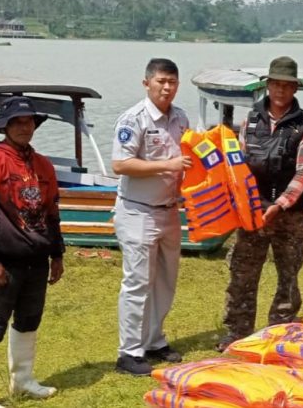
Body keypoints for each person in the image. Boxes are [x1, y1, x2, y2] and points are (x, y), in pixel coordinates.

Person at [0, 96, 65, 408]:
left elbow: (52, 213)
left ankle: (22, 381)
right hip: (4, 262)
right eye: (17, 122)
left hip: (36, 259)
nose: (24, 127)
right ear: (5, 126)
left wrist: (57, 254)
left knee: (29, 320)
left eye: (29, 121)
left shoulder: (44, 164)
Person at [216, 56, 303, 352]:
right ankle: (236, 332)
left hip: (290, 213)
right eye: (276, 84)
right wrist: (245, 203)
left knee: (288, 275)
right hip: (252, 211)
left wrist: (282, 204)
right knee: (242, 273)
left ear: (295, 88)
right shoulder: (250, 119)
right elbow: (239, 164)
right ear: (268, 85)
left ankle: (280, 333)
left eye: (287, 85)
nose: (280, 90)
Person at [111, 58, 191, 376]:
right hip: (137, 211)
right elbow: (120, 164)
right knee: (137, 283)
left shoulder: (181, 117)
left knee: (165, 281)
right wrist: (166, 166)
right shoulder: (134, 119)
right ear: (147, 83)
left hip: (170, 211)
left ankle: (155, 340)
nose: (167, 87)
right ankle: (128, 352)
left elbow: (190, 159)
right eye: (161, 81)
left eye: (172, 81)